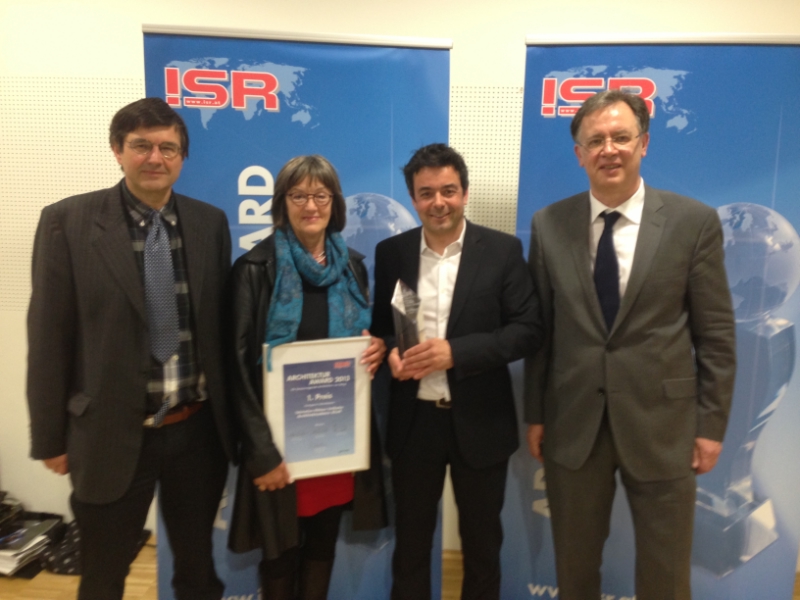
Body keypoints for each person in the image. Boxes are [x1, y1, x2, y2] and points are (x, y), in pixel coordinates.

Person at [525, 90, 736, 600]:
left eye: (621, 137)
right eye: (595, 140)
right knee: (574, 570)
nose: (609, 149)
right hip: (574, 425)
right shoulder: (548, 224)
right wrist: (536, 414)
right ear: (579, 154)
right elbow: (541, 332)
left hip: (664, 427)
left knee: (666, 576)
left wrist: (710, 426)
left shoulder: (693, 222)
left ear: (644, 143)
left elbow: (715, 334)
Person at [26, 97, 236, 600]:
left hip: (196, 432)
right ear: (117, 150)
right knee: (103, 575)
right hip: (109, 434)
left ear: (182, 157)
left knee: (197, 569)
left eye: (168, 148)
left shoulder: (209, 223)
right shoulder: (67, 222)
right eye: (141, 146)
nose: (155, 158)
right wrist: (50, 438)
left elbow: (219, 329)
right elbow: (48, 336)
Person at [371, 143, 541, 600]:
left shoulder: (502, 250)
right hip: (413, 423)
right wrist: (390, 352)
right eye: (426, 193)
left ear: (465, 193)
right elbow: (384, 327)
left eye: (448, 190)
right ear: (413, 198)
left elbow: (527, 330)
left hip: (480, 421)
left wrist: (456, 353)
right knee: (410, 548)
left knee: (482, 549)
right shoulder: (392, 252)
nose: (438, 202)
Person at [226, 155, 388, 600]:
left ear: (335, 203)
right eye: (298, 195)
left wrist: (374, 347)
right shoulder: (254, 270)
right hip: (277, 449)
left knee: (322, 545)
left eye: (320, 195)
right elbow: (237, 368)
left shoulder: (352, 267)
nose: (310, 205)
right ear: (282, 203)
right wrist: (261, 453)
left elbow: (360, 341)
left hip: (334, 441)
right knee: (278, 555)